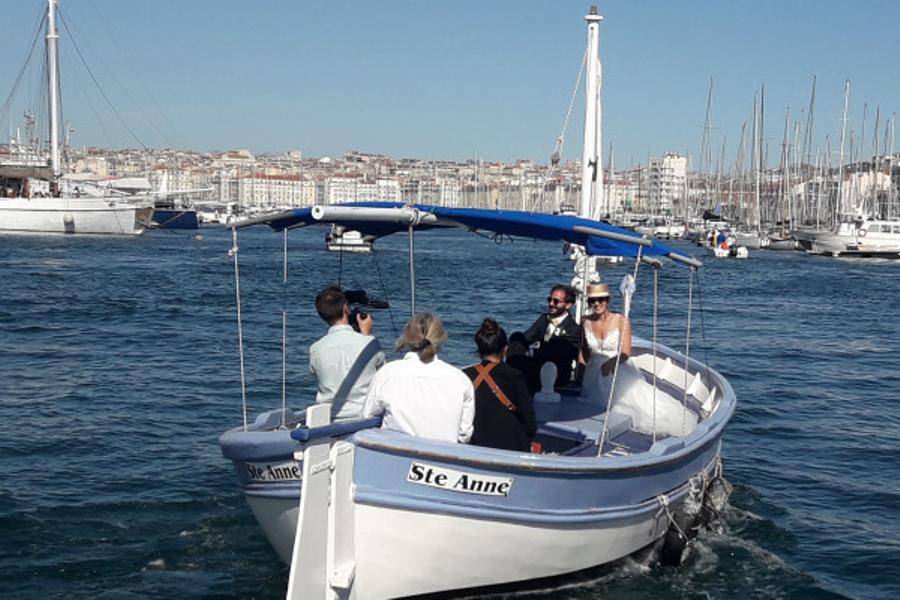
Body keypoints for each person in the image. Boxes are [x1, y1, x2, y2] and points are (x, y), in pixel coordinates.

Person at [579, 282, 698, 438]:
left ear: (607, 301)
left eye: (600, 300)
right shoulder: (585, 321)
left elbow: (626, 352)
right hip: (593, 371)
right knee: (593, 409)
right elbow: (583, 351)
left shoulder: (621, 321)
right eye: (592, 301)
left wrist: (611, 363)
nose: (596, 304)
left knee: (637, 407)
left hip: (617, 369)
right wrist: (580, 372)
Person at [363, 313, 474, 443]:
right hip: (442, 459)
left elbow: (367, 417)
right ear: (440, 338)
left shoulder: (387, 374)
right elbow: (464, 434)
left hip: (395, 455)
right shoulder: (461, 380)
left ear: (407, 337)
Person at [308, 286, 385, 420]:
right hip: (364, 418)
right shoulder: (369, 343)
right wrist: (367, 335)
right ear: (345, 308)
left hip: (329, 419)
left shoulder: (315, 348)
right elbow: (384, 375)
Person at [463, 319, 536, 452]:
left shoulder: (465, 376)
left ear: (479, 349)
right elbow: (530, 424)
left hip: (475, 446)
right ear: (505, 349)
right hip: (512, 447)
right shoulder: (515, 376)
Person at [522, 284, 581, 387]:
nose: (551, 304)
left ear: (568, 305)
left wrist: (531, 352)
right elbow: (527, 336)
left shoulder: (573, 329)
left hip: (557, 376)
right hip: (537, 368)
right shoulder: (544, 319)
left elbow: (557, 353)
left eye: (556, 301)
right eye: (549, 299)